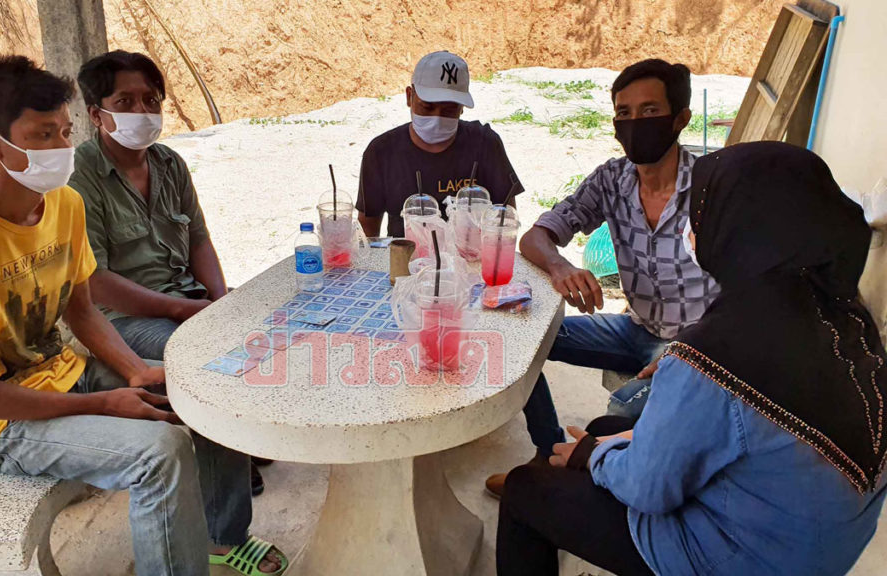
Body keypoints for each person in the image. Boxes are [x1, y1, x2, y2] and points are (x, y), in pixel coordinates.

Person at [0, 55, 285, 576]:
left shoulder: (64, 204)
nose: (62, 148)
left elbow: (81, 309)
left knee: (207, 387)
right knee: (160, 452)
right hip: (0, 423)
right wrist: (108, 402)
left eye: (64, 132)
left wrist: (134, 370)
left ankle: (222, 538)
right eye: (42, 134)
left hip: (65, 375)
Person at [497, 142, 887, 576]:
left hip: (741, 558)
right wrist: (610, 443)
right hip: (814, 545)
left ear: (737, 229)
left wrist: (593, 457)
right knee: (608, 429)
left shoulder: (714, 355)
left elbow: (648, 489)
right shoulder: (850, 319)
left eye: (704, 213)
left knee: (526, 489)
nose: (692, 228)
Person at [485, 59, 719, 497]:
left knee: (623, 412)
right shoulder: (613, 179)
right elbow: (537, 235)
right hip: (635, 326)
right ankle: (548, 451)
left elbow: (752, 286)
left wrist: (696, 351)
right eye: (624, 114)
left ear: (681, 119)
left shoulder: (712, 185)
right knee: (522, 340)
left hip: (695, 343)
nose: (634, 125)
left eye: (650, 112)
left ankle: (590, 481)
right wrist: (562, 266)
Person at [67, 50, 270, 496]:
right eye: (126, 102)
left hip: (185, 297)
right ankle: (225, 475)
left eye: (150, 100)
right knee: (212, 358)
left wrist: (219, 300)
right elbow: (96, 282)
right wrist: (185, 310)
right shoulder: (81, 175)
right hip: (122, 319)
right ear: (96, 114)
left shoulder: (169, 164)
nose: (142, 112)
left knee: (269, 323)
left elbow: (199, 240)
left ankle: (244, 434)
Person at [356, 50, 523, 238]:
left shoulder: (485, 145)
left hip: (471, 260)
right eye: (427, 107)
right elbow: (368, 232)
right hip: (406, 261)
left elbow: (506, 222)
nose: (437, 117)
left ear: (462, 109)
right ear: (409, 96)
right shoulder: (382, 152)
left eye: (449, 109)